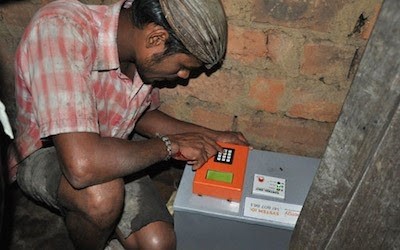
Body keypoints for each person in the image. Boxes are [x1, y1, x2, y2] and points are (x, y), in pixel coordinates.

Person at [8, 0, 248, 249]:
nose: (183, 76)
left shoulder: (141, 58)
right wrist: (169, 145)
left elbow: (141, 116)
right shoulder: (60, 29)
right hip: (49, 152)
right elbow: (82, 166)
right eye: (183, 66)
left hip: (113, 147)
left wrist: (211, 135)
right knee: (101, 197)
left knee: (158, 244)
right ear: (156, 38)